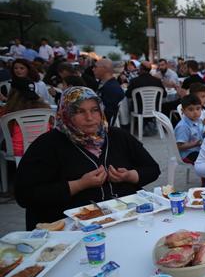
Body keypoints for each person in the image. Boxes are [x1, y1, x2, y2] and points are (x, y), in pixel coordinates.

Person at [15, 87, 160, 229]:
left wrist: (129, 176)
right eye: (79, 111)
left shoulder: (117, 136)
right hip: (72, 227)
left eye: (94, 110)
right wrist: (79, 185)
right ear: (65, 113)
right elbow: (25, 196)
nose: (89, 118)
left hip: (127, 218)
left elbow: (153, 169)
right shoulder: (47, 145)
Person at [0, 77, 51, 157]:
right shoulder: (45, 109)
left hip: (17, 152)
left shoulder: (9, 111)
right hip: (44, 149)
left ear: (13, 92)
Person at [93, 59, 124, 126]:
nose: (93, 69)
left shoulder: (112, 88)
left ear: (104, 69)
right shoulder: (104, 84)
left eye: (95, 67)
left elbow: (107, 114)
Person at [174, 94, 204, 163]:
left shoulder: (198, 120)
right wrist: (195, 144)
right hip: (187, 154)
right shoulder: (183, 126)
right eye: (191, 109)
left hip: (197, 149)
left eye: (198, 108)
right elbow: (179, 146)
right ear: (183, 111)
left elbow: (200, 133)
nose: (195, 112)